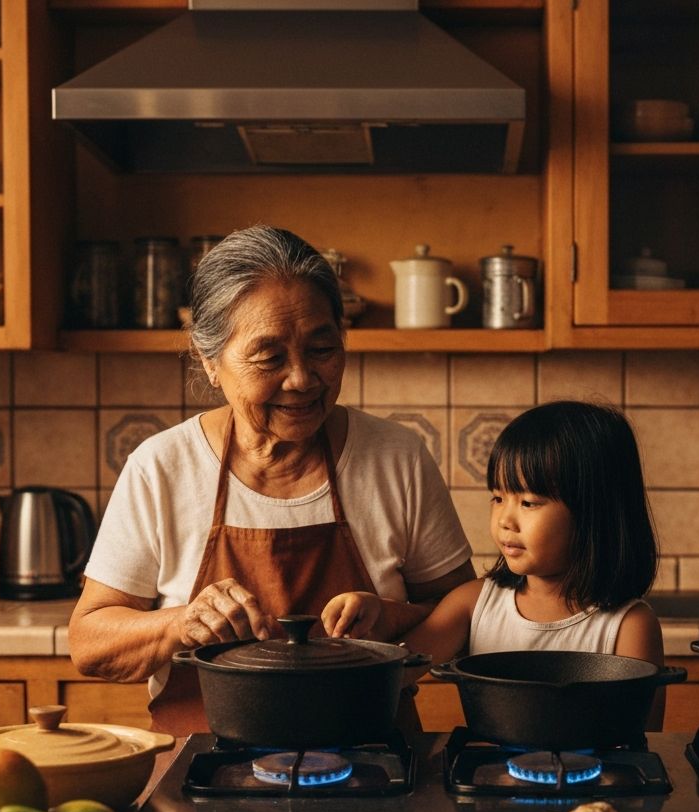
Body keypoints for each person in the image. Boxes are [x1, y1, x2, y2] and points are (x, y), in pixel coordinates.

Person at [68, 224, 474, 736]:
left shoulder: (396, 458)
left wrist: (390, 621)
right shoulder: (162, 467)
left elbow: (465, 614)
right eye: (269, 357)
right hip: (199, 771)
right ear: (209, 361)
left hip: (376, 766)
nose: (302, 379)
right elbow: (89, 642)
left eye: (322, 349)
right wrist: (180, 624)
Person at [322, 400, 666, 728]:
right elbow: (397, 671)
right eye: (498, 498)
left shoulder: (629, 625)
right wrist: (372, 613)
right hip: (488, 783)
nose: (505, 520)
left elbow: (644, 744)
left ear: (596, 513)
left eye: (529, 502)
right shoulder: (473, 603)